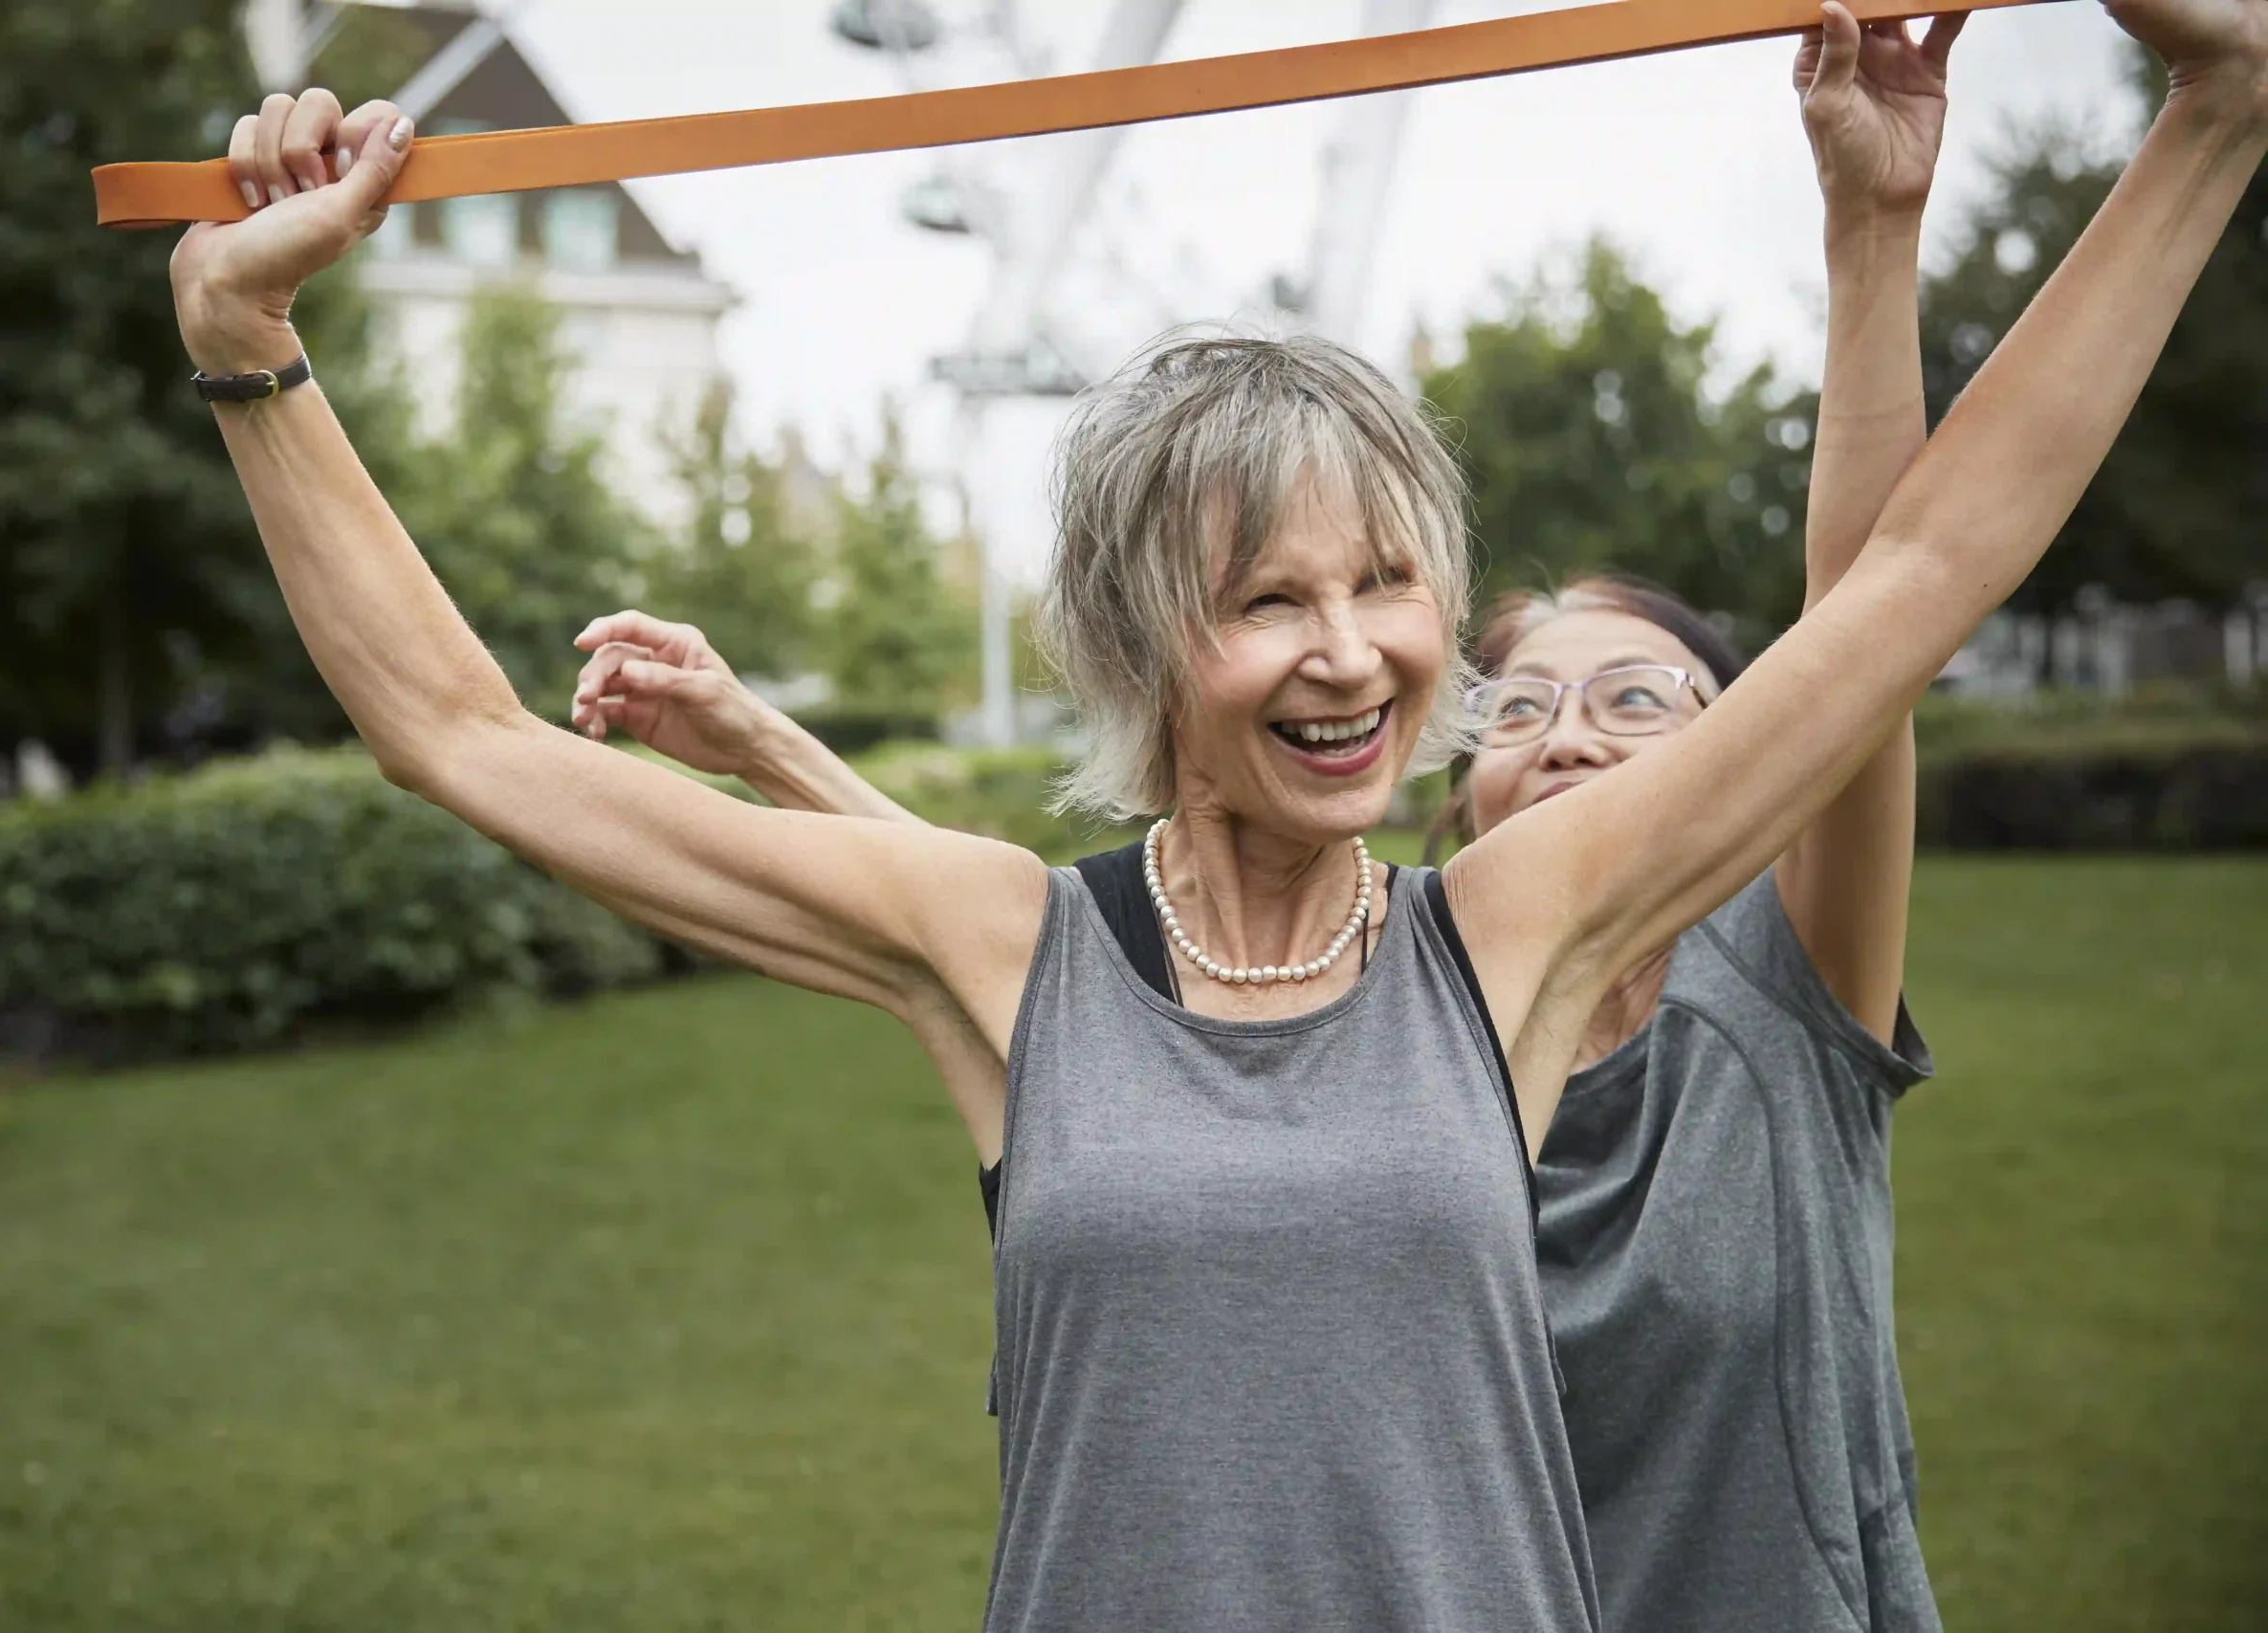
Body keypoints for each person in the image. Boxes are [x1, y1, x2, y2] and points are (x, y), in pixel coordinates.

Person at [165, 0, 2266, 1622]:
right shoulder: (1005, 943)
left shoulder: (1507, 932)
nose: (1350, 653)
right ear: (1138, 645)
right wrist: (251, 336)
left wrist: (2210, 121)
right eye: (1265, 599)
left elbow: (1914, 578)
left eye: (1384, 581)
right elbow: (469, 738)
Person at [561, 16, 1930, 1629]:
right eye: (1526, 703)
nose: (1570, 736)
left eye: (1640, 699)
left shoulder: (1765, 994)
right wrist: (769, 749)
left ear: (1743, 761)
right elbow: (1066, 993)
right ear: (1455, 792)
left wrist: (1879, 226)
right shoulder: (1428, 1011)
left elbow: (1885, 601)